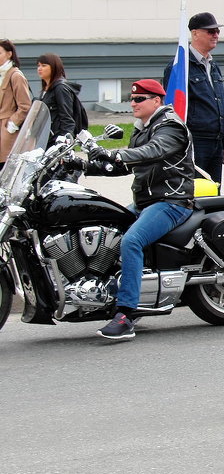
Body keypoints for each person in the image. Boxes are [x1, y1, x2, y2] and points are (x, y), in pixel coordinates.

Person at [86, 80, 195, 341]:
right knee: (108, 228)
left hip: (171, 200)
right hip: (147, 201)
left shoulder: (170, 126)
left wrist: (116, 154)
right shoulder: (142, 128)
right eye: (132, 99)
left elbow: (152, 151)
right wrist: (82, 164)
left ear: (156, 101)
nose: (133, 103)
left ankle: (126, 315)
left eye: (139, 99)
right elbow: (127, 165)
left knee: (132, 241)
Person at [163, 12, 224, 184]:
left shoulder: (213, 65)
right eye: (210, 31)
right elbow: (171, 108)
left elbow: (221, 105)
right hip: (195, 142)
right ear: (195, 33)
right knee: (194, 192)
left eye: (217, 31)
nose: (215, 35)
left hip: (215, 142)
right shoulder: (180, 66)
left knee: (213, 193)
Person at [35, 53, 88, 140]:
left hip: (57, 141)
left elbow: (67, 118)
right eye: (38, 66)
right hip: (45, 139)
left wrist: (64, 140)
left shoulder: (60, 88)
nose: (39, 69)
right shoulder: (46, 89)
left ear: (54, 67)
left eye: (44, 65)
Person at [0, 39, 33, 166]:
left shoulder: (15, 75)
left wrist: (12, 123)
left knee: (6, 168)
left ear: (9, 54)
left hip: (7, 131)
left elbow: (25, 106)